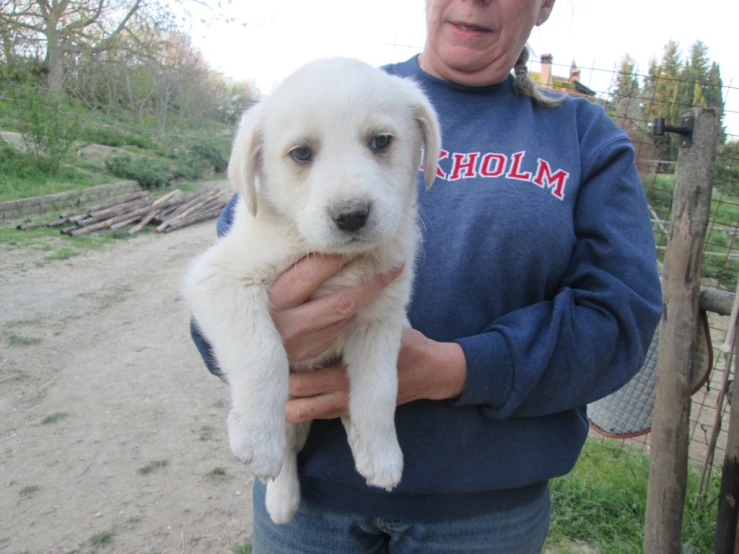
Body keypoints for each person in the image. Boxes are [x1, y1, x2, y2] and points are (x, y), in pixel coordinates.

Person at [190, 0, 663, 552]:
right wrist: (267, 343)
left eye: (382, 145)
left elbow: (619, 319)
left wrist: (454, 369)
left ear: (545, 6)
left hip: (486, 513)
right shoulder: (334, 95)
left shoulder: (582, 135)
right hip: (313, 509)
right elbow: (222, 293)